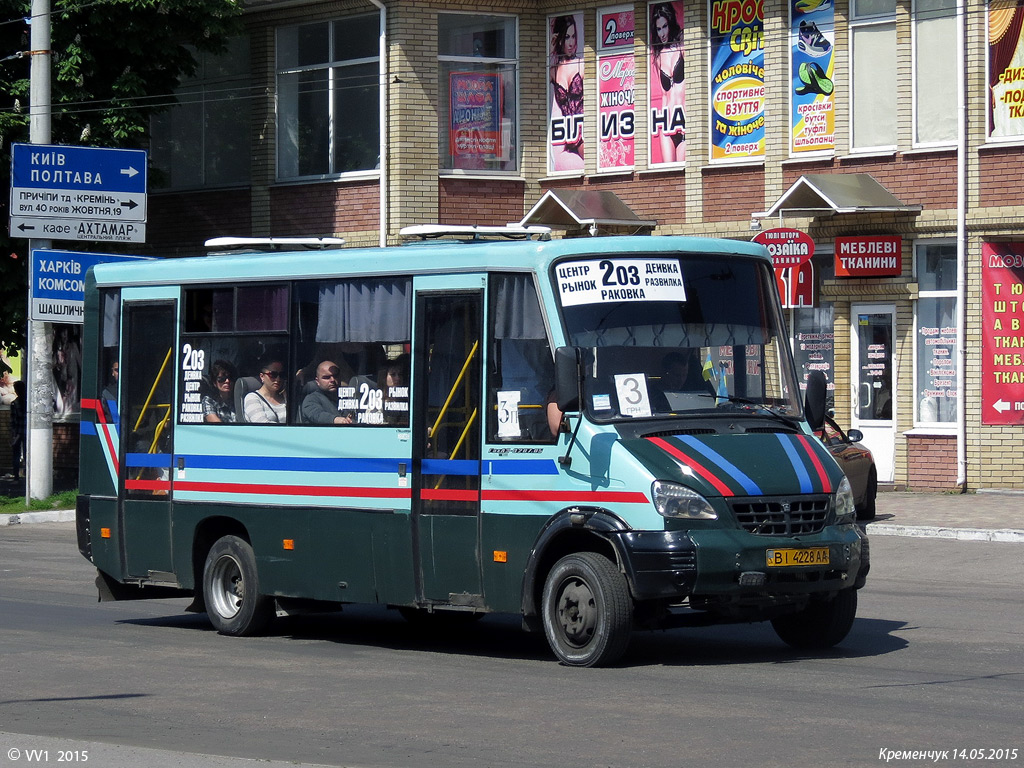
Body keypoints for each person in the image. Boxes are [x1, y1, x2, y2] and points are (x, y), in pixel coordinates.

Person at [650, 3, 686, 164]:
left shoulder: (682, 46)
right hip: (668, 125)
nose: (662, 33)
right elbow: (665, 95)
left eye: (665, 27)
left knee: (685, 176)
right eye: (658, 29)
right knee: (668, 177)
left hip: (685, 122)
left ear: (670, 24)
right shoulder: (658, 56)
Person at [549, 14, 584, 171]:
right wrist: (551, 50)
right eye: (567, 37)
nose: (571, 43)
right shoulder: (553, 71)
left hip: (583, 134)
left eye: (574, 36)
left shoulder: (582, 65)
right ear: (560, 39)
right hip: (565, 135)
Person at [301, 360, 352, 425]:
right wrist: (335, 420)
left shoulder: (348, 396)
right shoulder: (311, 399)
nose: (332, 380)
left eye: (335, 376)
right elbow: (316, 415)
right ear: (317, 381)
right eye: (326, 377)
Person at [243, 360, 287, 424]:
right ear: (262, 376)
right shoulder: (252, 398)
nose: (278, 379)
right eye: (273, 374)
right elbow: (262, 425)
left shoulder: (286, 397)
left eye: (281, 375)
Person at [10, 380, 26, 478]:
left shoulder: (14, 403)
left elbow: (13, 421)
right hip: (27, 432)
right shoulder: (28, 402)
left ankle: (16, 475)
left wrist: (13, 435)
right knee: (27, 453)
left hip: (18, 433)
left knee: (16, 454)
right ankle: (27, 473)